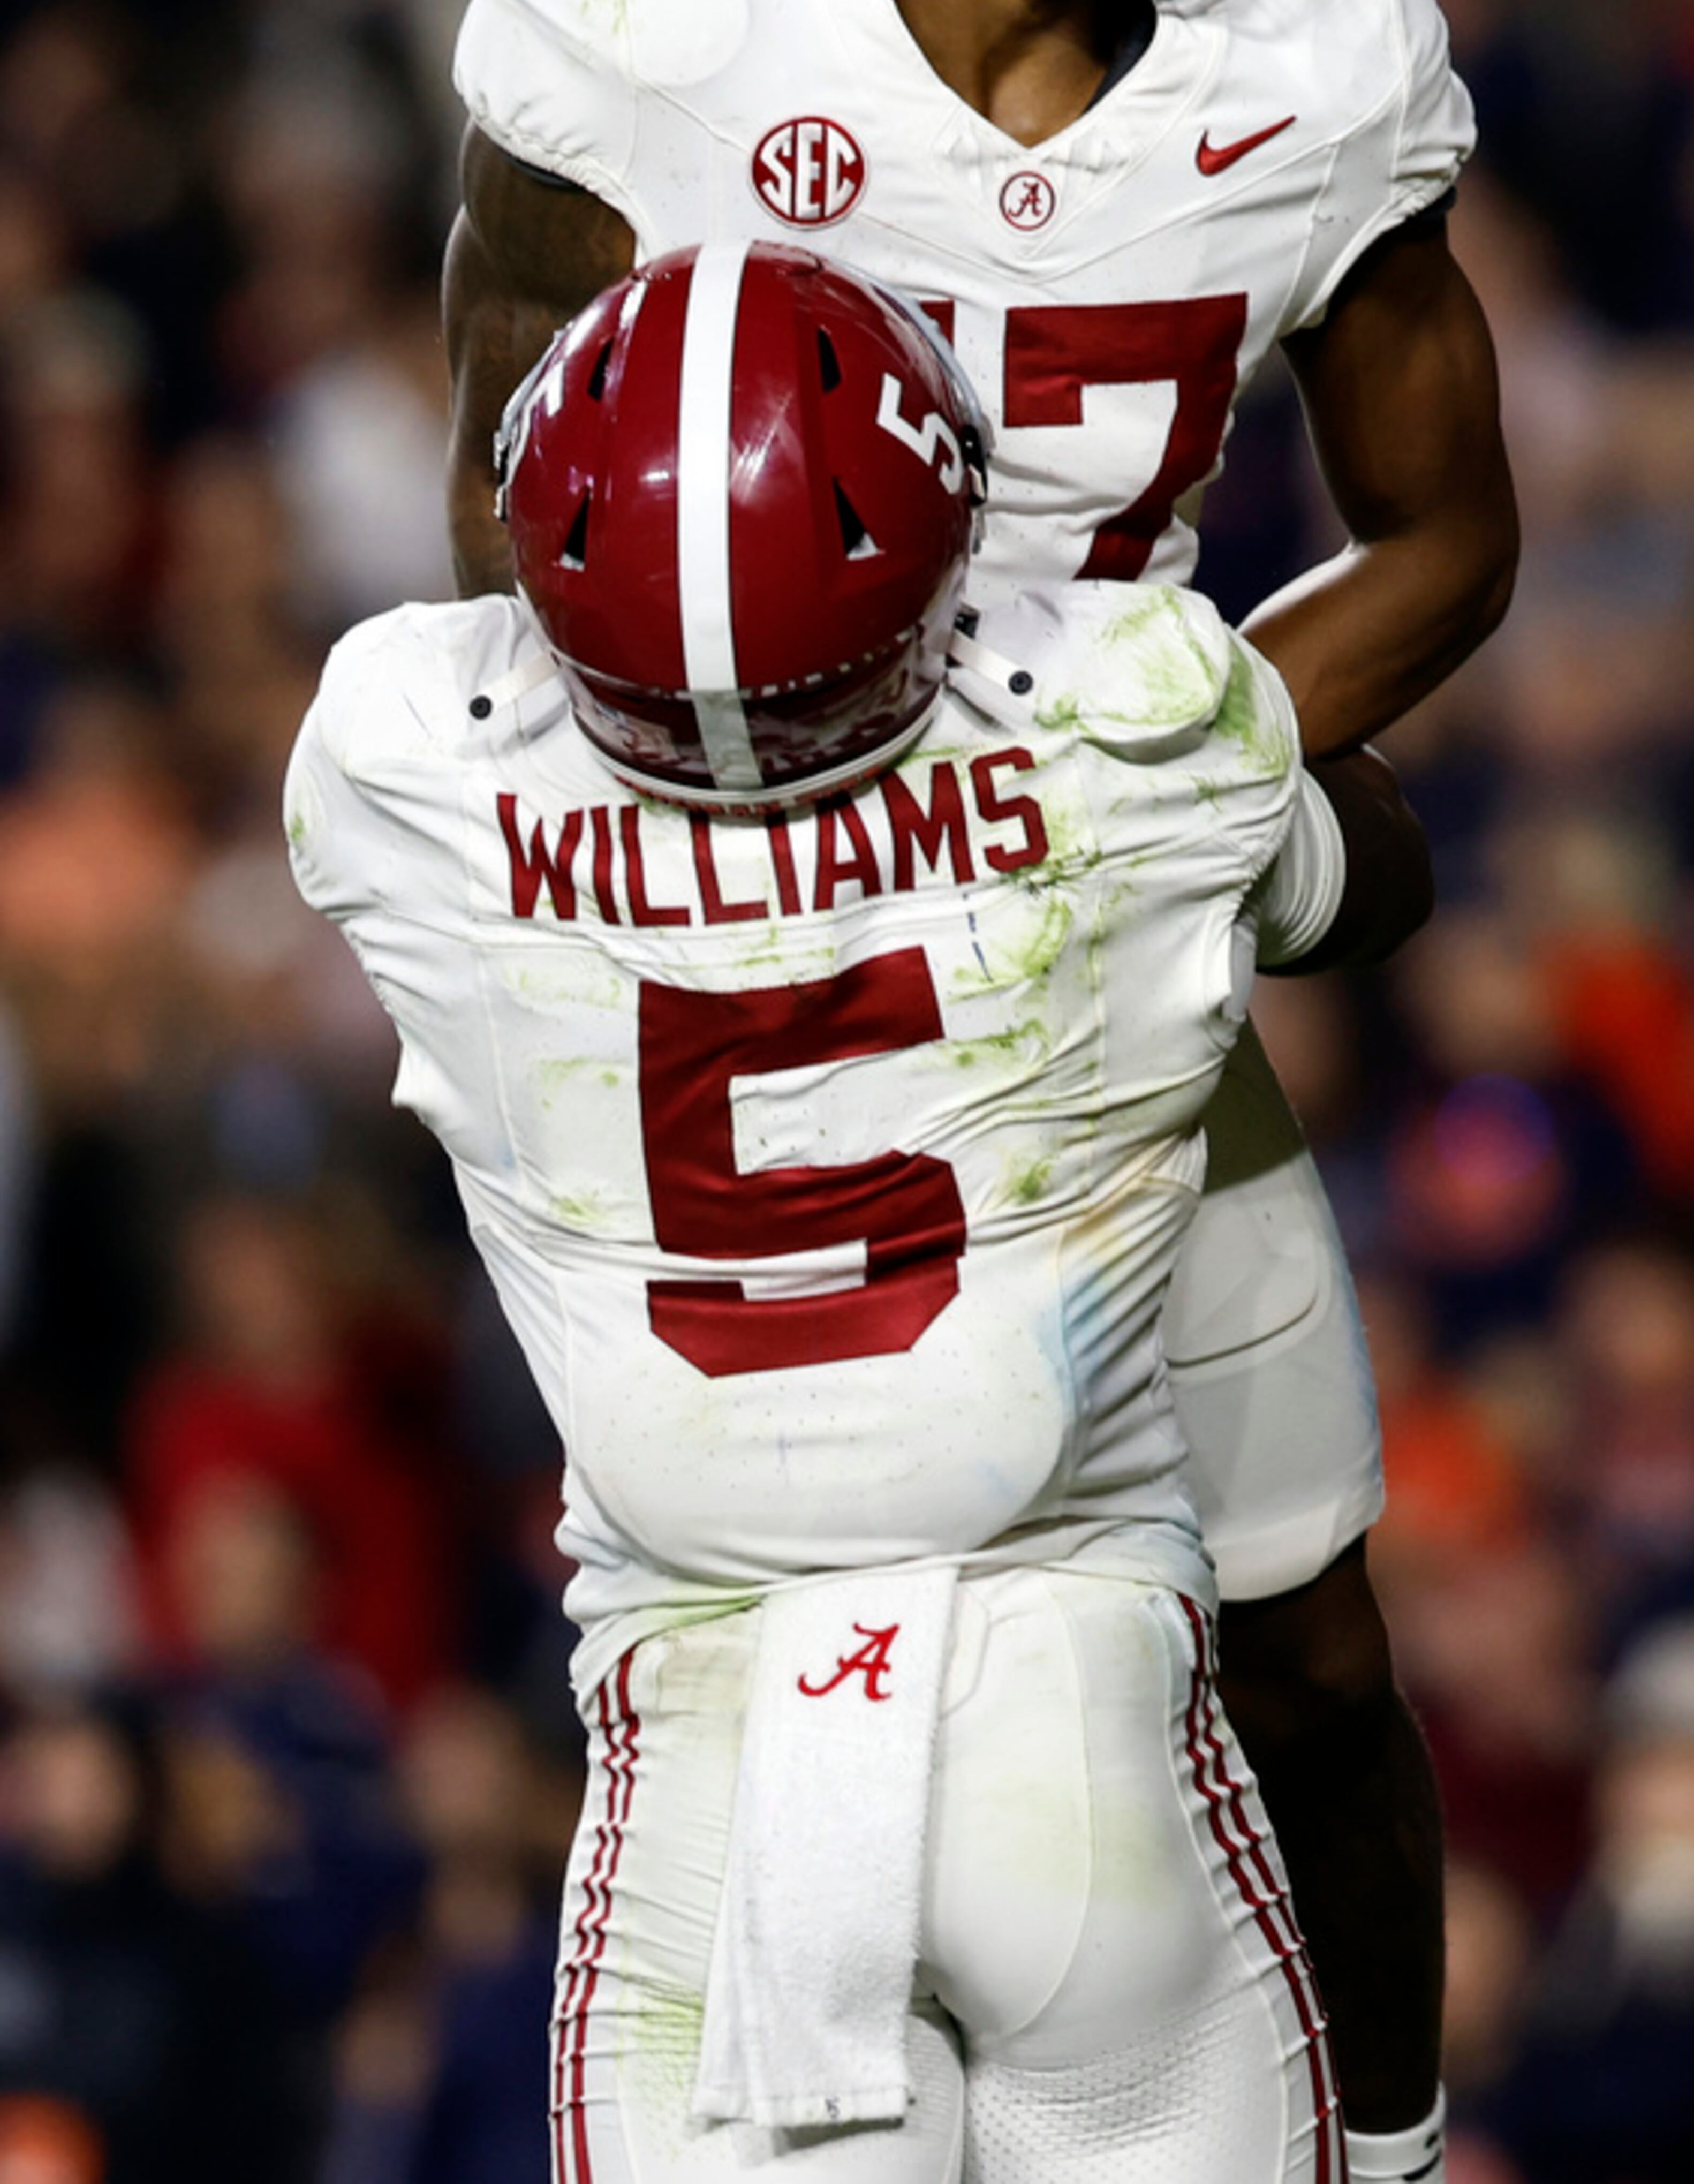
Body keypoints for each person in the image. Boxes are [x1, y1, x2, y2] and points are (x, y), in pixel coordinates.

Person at [440, 0, 1520, 2165]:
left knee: (1301, 1636)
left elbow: (1444, 522)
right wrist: (787, 786)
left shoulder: (1306, 20)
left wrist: (1180, 772)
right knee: (724, 1584)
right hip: (748, 872)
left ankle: (1374, 2148)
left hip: (1089, 921)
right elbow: (504, 511)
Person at [288, 241, 1437, 2182]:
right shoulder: (1128, 735)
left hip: (712, 1760)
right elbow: (1367, 884)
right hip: (1072, 1695)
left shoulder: (408, 766)